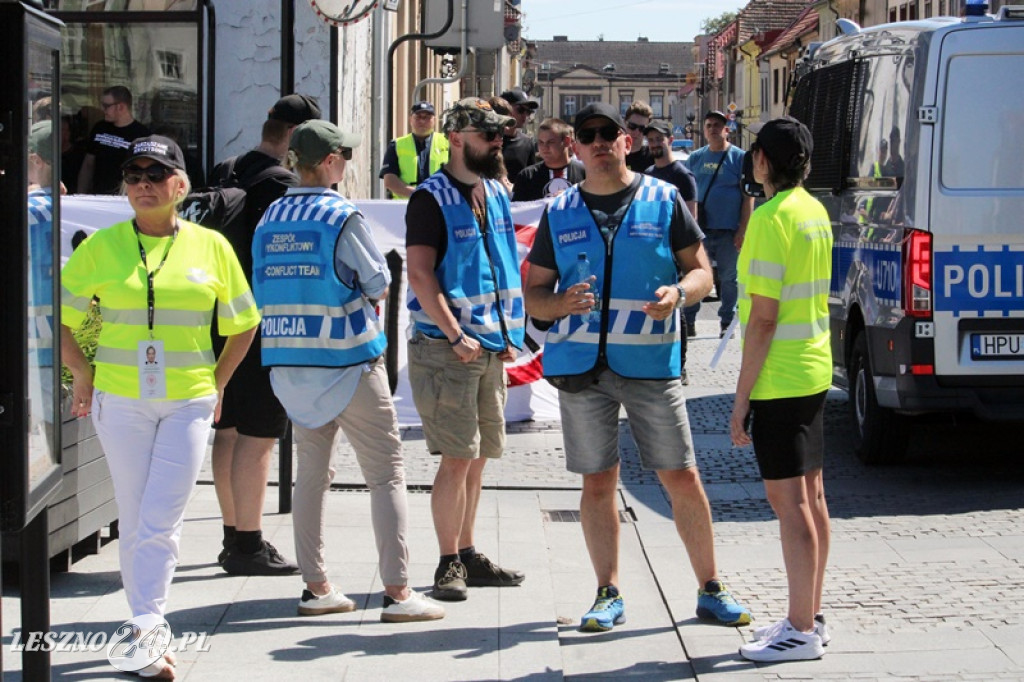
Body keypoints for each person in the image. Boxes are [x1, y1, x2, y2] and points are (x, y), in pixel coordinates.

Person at [523, 102, 752, 633]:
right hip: (583, 370)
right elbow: (534, 296)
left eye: (610, 133)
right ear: (575, 147)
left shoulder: (663, 198)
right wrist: (558, 306)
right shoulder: (560, 212)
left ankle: (711, 588)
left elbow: (704, 272)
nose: (600, 142)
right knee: (598, 483)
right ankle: (607, 592)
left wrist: (680, 293)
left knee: (681, 476)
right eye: (589, 135)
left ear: (629, 141)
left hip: (650, 364)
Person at [60, 136, 259, 680]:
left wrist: (218, 382)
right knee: (137, 512)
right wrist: (82, 372)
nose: (142, 183)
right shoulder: (100, 247)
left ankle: (146, 625)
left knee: (161, 515)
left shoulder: (210, 247)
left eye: (155, 173)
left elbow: (243, 323)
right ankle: (147, 627)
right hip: (120, 400)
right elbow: (61, 320)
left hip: (188, 401)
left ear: (180, 186)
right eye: (132, 174)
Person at [251, 119, 445, 623]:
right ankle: (399, 593)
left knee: (311, 476)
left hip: (289, 362)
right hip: (347, 359)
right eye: (347, 157)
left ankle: (316, 587)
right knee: (386, 474)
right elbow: (379, 281)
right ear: (332, 162)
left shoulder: (271, 215)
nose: (350, 164)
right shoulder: (339, 214)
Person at [405, 98, 526, 602]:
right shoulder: (430, 197)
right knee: (457, 459)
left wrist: (506, 336)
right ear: (456, 139)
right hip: (447, 349)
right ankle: (447, 561)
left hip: (489, 347)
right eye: (487, 135)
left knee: (477, 460)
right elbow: (419, 274)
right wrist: (455, 334)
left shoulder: (494, 190)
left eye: (500, 134)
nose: (498, 142)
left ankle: (469, 551)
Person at [729, 117, 832, 662]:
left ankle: (800, 630)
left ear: (763, 161)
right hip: (813, 368)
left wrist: (740, 400)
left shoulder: (772, 219)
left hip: (780, 378)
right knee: (812, 499)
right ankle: (809, 615)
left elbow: (762, 320)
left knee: (789, 505)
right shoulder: (813, 210)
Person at [208, 93, 322, 576]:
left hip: (216, 314)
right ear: (296, 137)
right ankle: (249, 545)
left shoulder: (226, 168)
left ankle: (234, 533)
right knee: (258, 435)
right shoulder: (281, 183)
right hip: (258, 321)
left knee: (228, 427)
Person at [685, 110, 753, 338]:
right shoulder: (695, 158)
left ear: (727, 130)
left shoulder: (740, 158)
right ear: (704, 130)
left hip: (728, 229)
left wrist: (743, 228)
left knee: (728, 278)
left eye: (718, 125)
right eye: (709, 125)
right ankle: (690, 320)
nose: (713, 128)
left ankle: (726, 321)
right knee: (695, 274)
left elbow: (748, 196)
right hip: (700, 230)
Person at [642, 120, 698, 384]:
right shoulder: (648, 173)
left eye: (659, 140)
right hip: (650, 251)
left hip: (674, 251)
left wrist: (681, 253)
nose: (654, 144)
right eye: (650, 140)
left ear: (670, 141)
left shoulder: (682, 176)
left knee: (678, 309)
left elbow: (691, 219)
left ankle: (681, 364)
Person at [77, 86, 151, 194]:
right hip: (97, 195)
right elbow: (88, 164)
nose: (103, 109)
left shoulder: (141, 134)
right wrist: (81, 194)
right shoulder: (100, 127)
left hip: (126, 198)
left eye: (106, 106)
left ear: (121, 107)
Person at [379, 101, 449, 199]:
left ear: (435, 120)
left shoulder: (448, 143)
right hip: (404, 207)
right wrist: (418, 195)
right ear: (410, 120)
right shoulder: (396, 145)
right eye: (418, 117)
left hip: (440, 205)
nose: (422, 121)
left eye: (427, 117)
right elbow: (390, 181)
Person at [512, 117, 585, 201]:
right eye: (541, 142)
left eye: (551, 142)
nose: (544, 147)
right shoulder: (526, 176)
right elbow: (517, 209)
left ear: (566, 142)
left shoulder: (585, 173)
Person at [498, 88, 539, 183]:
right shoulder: (488, 139)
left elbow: (531, 178)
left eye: (528, 112)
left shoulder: (527, 143)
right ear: (505, 109)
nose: (525, 115)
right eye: (520, 110)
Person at [623, 100, 654, 173]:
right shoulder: (614, 154)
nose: (636, 132)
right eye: (632, 126)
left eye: (642, 128)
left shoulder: (653, 157)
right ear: (624, 123)